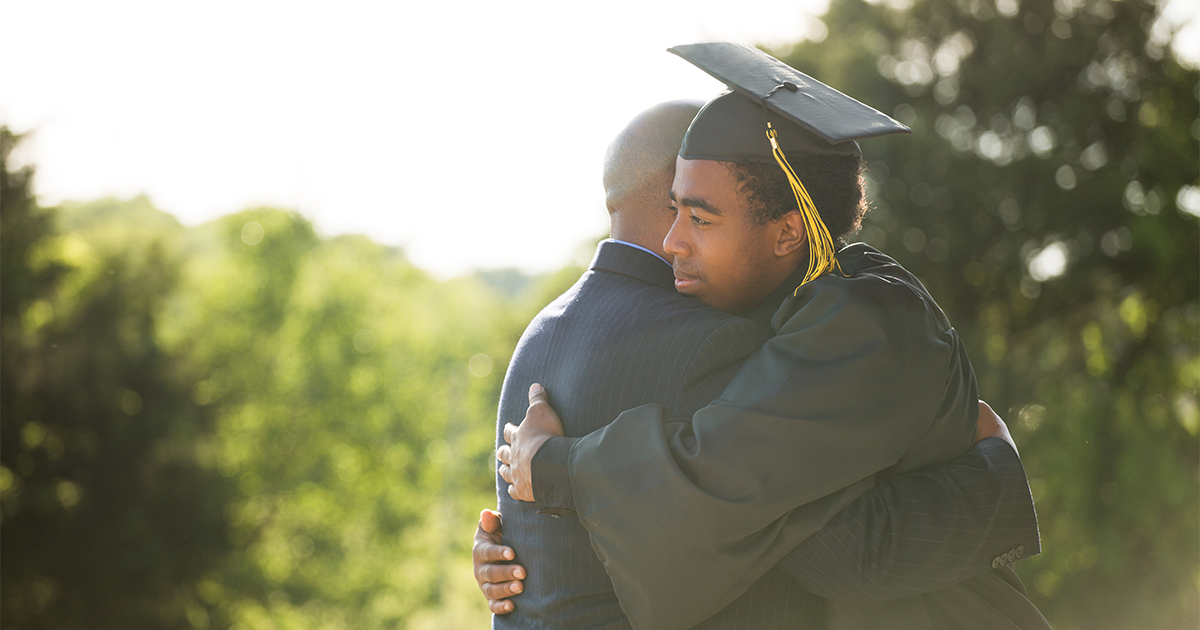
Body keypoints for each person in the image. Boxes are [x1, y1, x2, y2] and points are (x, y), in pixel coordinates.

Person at [497, 43, 1050, 629]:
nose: (672, 241)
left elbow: (818, 535)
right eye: (675, 210)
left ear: (788, 232)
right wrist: (521, 553)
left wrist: (556, 469)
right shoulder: (788, 313)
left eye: (701, 219)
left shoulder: (867, 321)